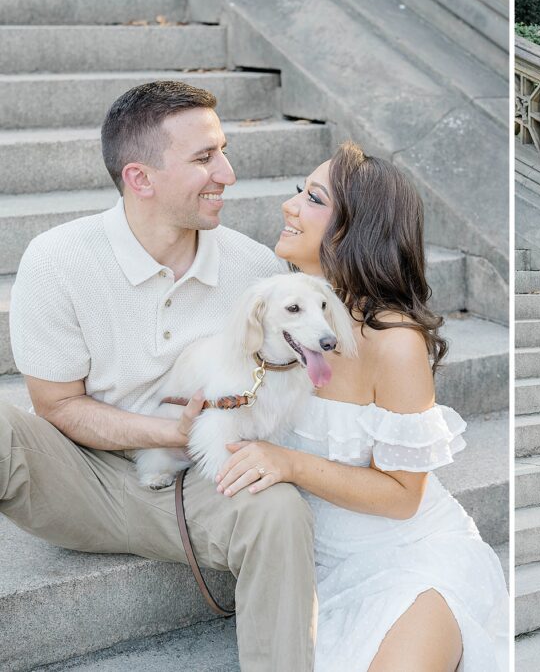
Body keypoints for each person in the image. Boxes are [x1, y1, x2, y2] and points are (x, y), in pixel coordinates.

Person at [1, 81, 316, 670]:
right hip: (83, 477)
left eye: (222, 150)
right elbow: (57, 407)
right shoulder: (58, 258)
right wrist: (168, 432)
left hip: (206, 482)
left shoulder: (255, 268)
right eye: (203, 158)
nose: (226, 172)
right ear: (140, 178)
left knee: (280, 509)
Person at [210, 143, 509, 671]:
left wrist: (290, 463)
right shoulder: (273, 314)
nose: (290, 205)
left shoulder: (393, 342)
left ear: (354, 230)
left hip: (410, 558)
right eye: (297, 191)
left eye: (313, 198)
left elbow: (401, 497)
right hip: (311, 563)